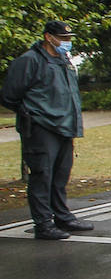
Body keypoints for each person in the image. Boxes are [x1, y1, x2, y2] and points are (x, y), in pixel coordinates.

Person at [1, 20, 92, 240]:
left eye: (69, 38)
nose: (67, 42)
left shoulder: (64, 61)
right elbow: (9, 95)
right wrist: (32, 112)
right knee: (42, 175)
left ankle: (62, 216)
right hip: (41, 128)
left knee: (60, 175)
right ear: (48, 37)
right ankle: (43, 223)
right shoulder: (29, 61)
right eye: (63, 38)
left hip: (64, 125)